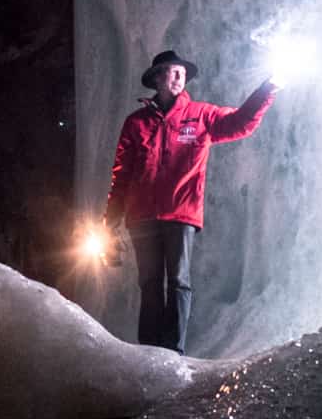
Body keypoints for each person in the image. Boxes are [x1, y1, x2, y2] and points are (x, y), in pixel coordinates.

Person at [103, 49, 277, 353]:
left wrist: (267, 88)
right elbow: (122, 174)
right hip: (141, 217)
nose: (178, 77)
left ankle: (174, 351)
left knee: (179, 281)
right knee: (150, 284)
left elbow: (240, 122)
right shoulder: (136, 123)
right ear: (157, 78)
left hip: (181, 214)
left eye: (182, 73)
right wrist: (110, 220)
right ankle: (149, 353)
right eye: (171, 71)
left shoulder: (201, 115)